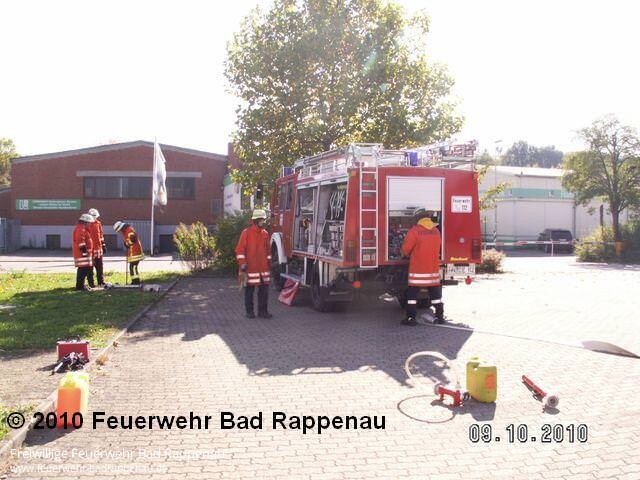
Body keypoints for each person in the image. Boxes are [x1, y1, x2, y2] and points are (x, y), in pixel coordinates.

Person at [400, 208, 443, 326]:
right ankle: (440, 316)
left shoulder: (415, 231)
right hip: (432, 271)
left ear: (418, 218)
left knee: (412, 297)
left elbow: (406, 249)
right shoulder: (436, 231)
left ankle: (411, 318)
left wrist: (402, 254)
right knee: (436, 297)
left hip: (418, 272)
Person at [235, 209, 272, 318]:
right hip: (250, 268)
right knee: (249, 291)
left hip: (263, 270)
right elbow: (240, 250)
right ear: (256, 220)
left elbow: (268, 251)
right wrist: (242, 263)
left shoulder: (265, 234)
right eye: (262, 220)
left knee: (264, 292)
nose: (263, 222)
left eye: (264, 220)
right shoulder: (246, 233)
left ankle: (263, 312)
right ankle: (249, 312)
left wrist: (269, 263)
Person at [72, 214, 96, 291]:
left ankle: (81, 285)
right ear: (85, 222)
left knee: (85, 269)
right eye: (89, 222)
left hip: (84, 253)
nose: (90, 224)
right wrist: (84, 250)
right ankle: (79, 286)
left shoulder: (82, 228)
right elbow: (80, 239)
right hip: (82, 254)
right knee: (82, 270)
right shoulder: (80, 228)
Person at [87, 208, 106, 286]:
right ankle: (91, 283)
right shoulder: (87, 224)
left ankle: (101, 281)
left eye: (95, 216)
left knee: (100, 266)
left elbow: (101, 235)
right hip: (91, 249)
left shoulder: (98, 223)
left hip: (98, 248)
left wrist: (103, 245)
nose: (95, 218)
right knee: (90, 267)